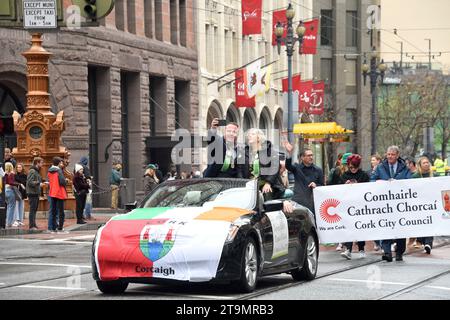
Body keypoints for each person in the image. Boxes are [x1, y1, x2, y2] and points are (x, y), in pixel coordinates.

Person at [371, 145, 412, 262]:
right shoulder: (380, 167)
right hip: (385, 204)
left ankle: (399, 252)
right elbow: (372, 180)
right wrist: (378, 181)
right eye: (388, 154)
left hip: (400, 204)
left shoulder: (404, 168)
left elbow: (410, 182)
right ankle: (387, 252)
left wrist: (397, 183)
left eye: (392, 154)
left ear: (397, 155)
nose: (390, 156)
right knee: (385, 225)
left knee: (400, 227)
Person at [339, 154, 370, 260]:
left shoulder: (364, 175)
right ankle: (348, 249)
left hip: (361, 205)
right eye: (351, 167)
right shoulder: (344, 175)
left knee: (360, 226)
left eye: (355, 167)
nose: (352, 169)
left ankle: (361, 248)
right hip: (348, 205)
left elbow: (368, 189)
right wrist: (344, 185)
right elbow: (337, 189)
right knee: (349, 226)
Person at [282, 140, 324, 215]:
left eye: (312, 155)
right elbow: (288, 166)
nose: (311, 157)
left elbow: (323, 186)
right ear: (302, 157)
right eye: (308, 156)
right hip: (298, 202)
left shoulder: (318, 170)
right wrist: (289, 153)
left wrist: (316, 185)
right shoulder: (297, 168)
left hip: (313, 203)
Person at [245, 128, 284, 200]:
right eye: (249, 134)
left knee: (266, 193)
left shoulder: (269, 150)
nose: (249, 136)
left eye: (252, 134)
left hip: (268, 183)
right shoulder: (245, 151)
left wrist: (268, 183)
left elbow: (274, 168)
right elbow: (240, 169)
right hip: (249, 185)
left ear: (259, 137)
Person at [412, 156, 437, 254]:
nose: (426, 164)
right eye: (424, 163)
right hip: (420, 204)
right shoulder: (415, 176)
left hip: (431, 203)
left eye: (427, 162)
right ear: (420, 165)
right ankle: (421, 240)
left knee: (431, 222)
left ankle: (428, 244)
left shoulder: (434, 175)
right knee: (423, 222)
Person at [48, 157, 68, 233]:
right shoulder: (59, 171)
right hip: (59, 192)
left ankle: (53, 227)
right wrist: (66, 181)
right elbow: (62, 182)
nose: (61, 164)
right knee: (61, 211)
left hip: (52, 192)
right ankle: (60, 227)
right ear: (58, 163)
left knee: (53, 211)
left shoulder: (49, 171)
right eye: (60, 163)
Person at [368, 153, 382, 251]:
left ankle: (382, 243)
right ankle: (377, 242)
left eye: (374, 160)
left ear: (378, 161)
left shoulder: (382, 171)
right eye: (371, 160)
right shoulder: (369, 172)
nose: (372, 162)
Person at [26, 157, 45, 230]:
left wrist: (42, 182)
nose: (42, 164)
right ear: (37, 163)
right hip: (32, 193)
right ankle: (31, 226)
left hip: (35, 193)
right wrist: (39, 184)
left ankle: (34, 224)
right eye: (41, 162)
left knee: (34, 210)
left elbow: (37, 180)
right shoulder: (32, 171)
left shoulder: (36, 171)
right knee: (32, 210)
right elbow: (30, 182)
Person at [4, 162, 18, 228]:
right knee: (11, 207)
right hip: (10, 190)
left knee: (8, 207)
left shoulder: (3, 174)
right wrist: (18, 184)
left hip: (4, 191)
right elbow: (11, 182)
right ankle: (9, 223)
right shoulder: (11, 174)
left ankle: (7, 222)